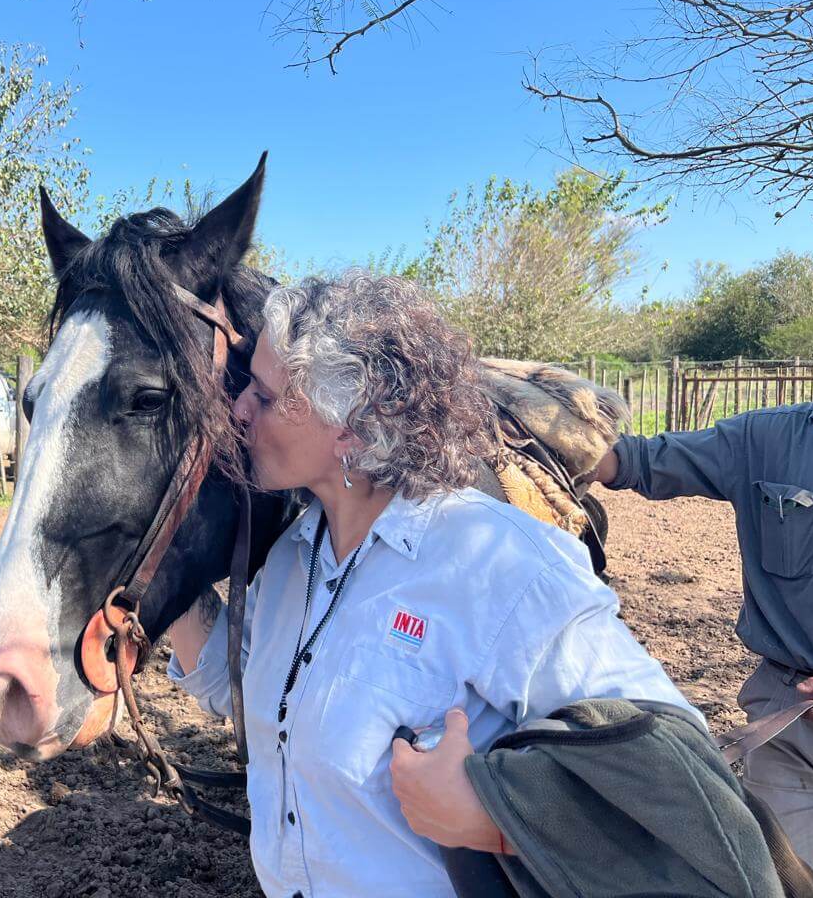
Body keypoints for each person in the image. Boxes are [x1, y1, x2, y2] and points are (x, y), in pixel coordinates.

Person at [166, 271, 700, 898]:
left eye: (264, 392)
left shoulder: (503, 566)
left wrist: (499, 818)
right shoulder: (293, 560)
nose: (238, 408)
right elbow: (253, 693)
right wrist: (158, 578)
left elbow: (676, 774)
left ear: (352, 426)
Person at [592, 398, 813, 864]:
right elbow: (640, 460)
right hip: (790, 711)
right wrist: (544, 433)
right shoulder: (765, 438)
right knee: (782, 874)